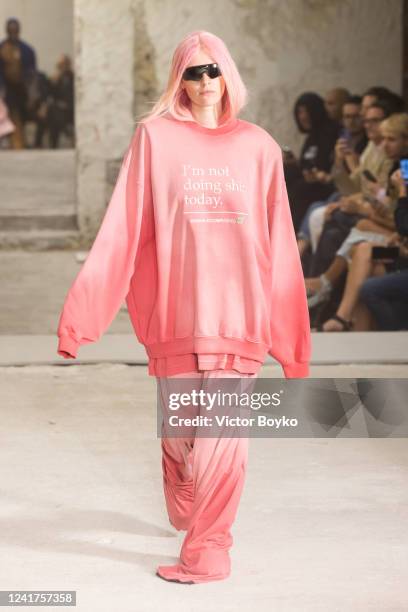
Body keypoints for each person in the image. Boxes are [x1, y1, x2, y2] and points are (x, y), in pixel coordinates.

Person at [56, 30, 311, 584]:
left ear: (228, 75)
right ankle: (181, 483)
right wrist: (83, 317)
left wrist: (290, 342)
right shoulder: (154, 139)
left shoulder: (260, 148)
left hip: (239, 319)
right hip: (174, 316)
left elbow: (281, 243)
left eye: (212, 70)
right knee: (182, 434)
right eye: (192, 72)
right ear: (179, 78)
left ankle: (209, 550)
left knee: (223, 442)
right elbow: (123, 228)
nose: (203, 83)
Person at [0, 17, 36, 148]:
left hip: (22, 88)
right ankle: (14, 143)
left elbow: (32, 72)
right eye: (11, 31)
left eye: (15, 30)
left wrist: (31, 91)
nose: (13, 33)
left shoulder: (27, 50)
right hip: (7, 89)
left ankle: (19, 142)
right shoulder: (2, 48)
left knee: (20, 115)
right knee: (9, 115)